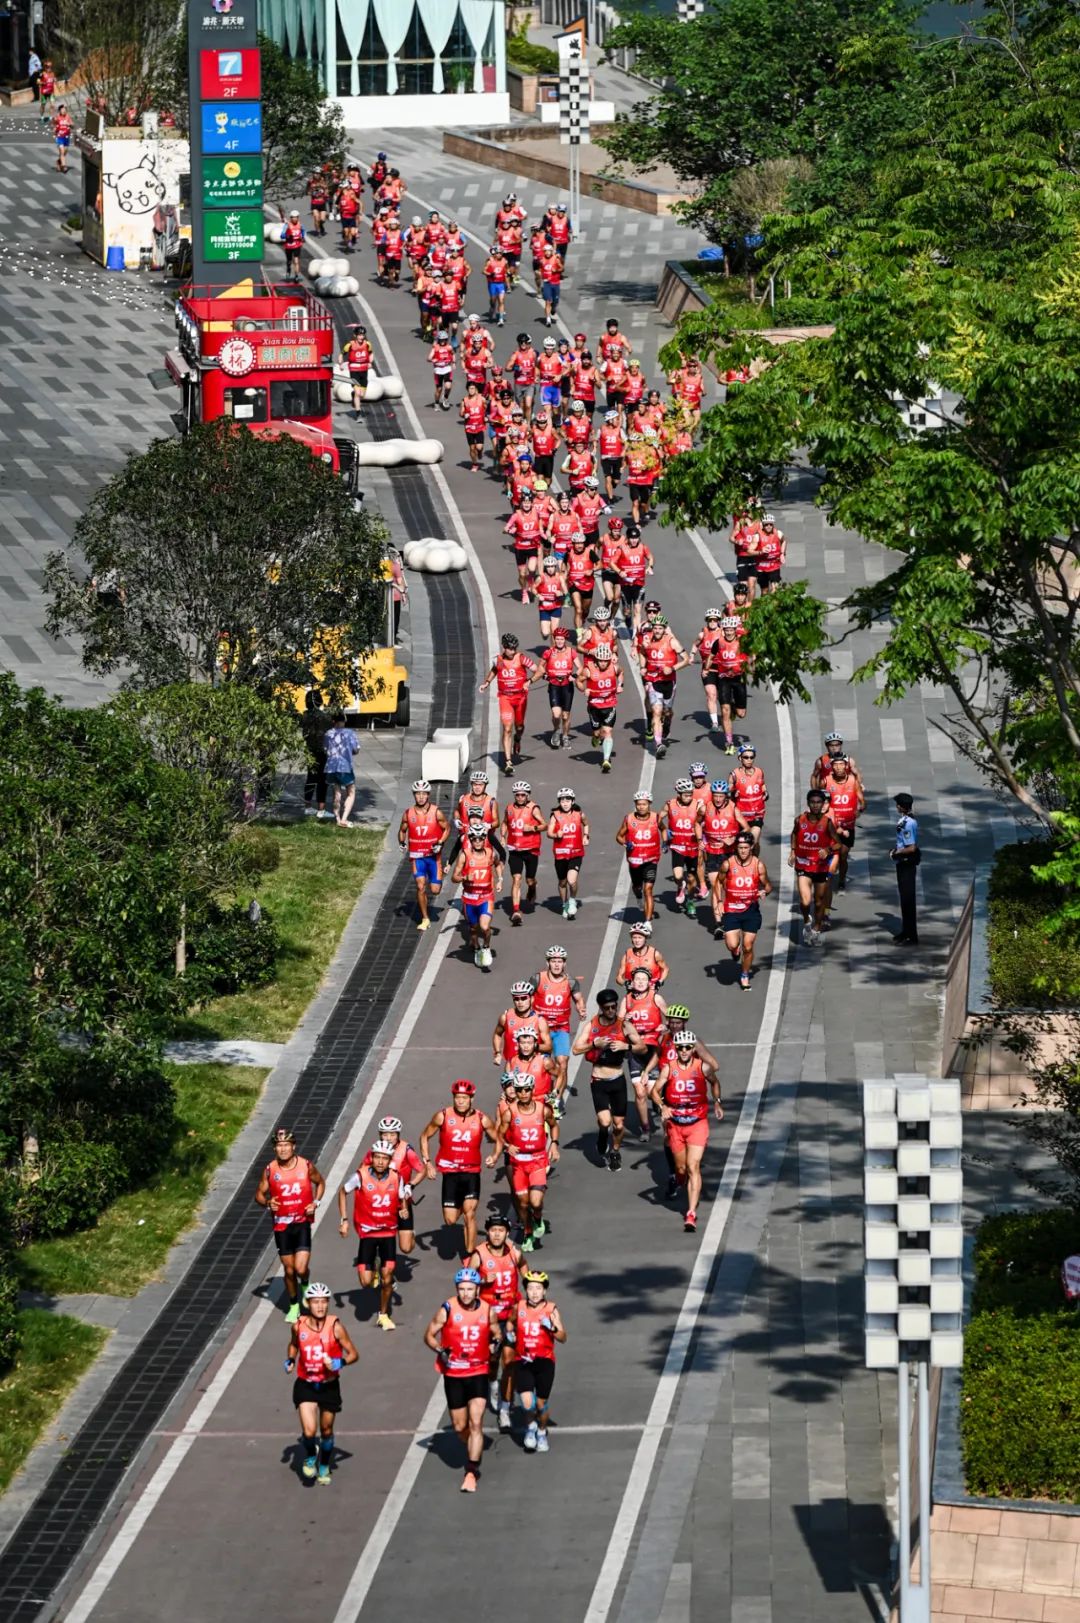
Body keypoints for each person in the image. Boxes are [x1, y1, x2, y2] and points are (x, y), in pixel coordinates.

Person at [423, 1268, 502, 1492]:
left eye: (469, 1289)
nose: (465, 1293)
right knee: (460, 1427)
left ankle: (471, 1471)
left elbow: (497, 1333)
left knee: (476, 1422)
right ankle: (472, 1445)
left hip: (478, 1371)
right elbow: (428, 1335)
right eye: (461, 1289)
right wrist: (440, 1349)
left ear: (477, 1289)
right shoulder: (447, 1308)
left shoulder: (487, 1310)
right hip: (454, 1374)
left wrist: (495, 1344)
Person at [285, 1282, 358, 1486]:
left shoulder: (336, 1327)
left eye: (324, 1302)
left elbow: (354, 1354)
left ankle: (324, 1464)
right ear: (308, 1304)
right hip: (306, 1384)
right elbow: (293, 1345)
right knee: (309, 1431)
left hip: (329, 1385)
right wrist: (290, 1359)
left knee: (326, 1430)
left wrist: (340, 1362)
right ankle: (310, 1455)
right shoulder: (298, 1326)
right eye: (316, 1302)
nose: (320, 1306)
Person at [651, 1031, 723, 1232]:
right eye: (680, 1048)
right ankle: (680, 1180)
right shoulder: (669, 1068)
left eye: (688, 1047)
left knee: (693, 1166)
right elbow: (654, 1091)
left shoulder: (702, 1067)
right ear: (676, 1049)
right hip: (675, 1124)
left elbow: (715, 1077)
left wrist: (717, 1102)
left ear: (693, 1049)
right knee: (681, 1169)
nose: (684, 1051)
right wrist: (662, 1105)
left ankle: (691, 1213)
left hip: (697, 1124)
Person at [254, 1128, 325, 1323]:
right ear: (275, 1148)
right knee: (289, 1269)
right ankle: (294, 1305)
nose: (283, 1149)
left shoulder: (306, 1165)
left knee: (301, 1269)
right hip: (282, 1227)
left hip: (301, 1223)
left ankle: (305, 1286)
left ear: (293, 1146)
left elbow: (320, 1183)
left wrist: (315, 1203)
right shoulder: (270, 1170)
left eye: (286, 1145)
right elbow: (259, 1194)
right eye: (279, 1145)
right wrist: (267, 1203)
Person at [419, 1081, 497, 1257]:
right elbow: (424, 1136)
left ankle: (470, 1255)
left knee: (469, 1213)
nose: (460, 1101)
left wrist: (494, 1155)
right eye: (457, 1097)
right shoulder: (443, 1116)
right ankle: (462, 1204)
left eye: (464, 1098)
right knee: (450, 1220)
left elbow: (498, 1137)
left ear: (472, 1098)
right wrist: (428, 1162)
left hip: (471, 1172)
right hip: (450, 1174)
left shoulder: (481, 1118)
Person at [573, 988, 645, 1170]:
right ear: (601, 1008)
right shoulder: (592, 1025)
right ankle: (603, 1134)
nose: (612, 1010)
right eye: (607, 1008)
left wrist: (625, 1045)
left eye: (614, 1006)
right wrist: (594, 1044)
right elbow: (575, 1050)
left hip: (617, 1079)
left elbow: (642, 1048)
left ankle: (615, 1151)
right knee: (605, 1122)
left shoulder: (624, 1025)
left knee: (619, 1125)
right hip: (598, 1080)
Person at [338, 1139, 405, 1331]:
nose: (381, 1162)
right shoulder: (360, 1176)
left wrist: (404, 1209)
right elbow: (343, 1192)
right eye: (378, 1157)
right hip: (367, 1233)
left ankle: (383, 1314)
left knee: (387, 1278)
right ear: (372, 1158)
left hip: (388, 1233)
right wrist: (344, 1220)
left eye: (385, 1158)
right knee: (366, 1282)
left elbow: (402, 1198)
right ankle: (375, 1266)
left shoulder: (396, 1177)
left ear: (389, 1160)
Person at [488, 1074, 559, 1252]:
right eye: (519, 1090)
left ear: (532, 1089)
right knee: (523, 1202)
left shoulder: (543, 1110)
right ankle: (528, 1233)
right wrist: (506, 1146)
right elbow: (499, 1135)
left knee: (535, 1202)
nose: (523, 1093)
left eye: (527, 1089)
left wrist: (554, 1145)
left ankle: (537, 1219)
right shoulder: (510, 1112)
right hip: (519, 1163)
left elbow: (554, 1125)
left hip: (537, 1160)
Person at [467, 1214, 524, 1429]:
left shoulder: (515, 1254)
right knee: (492, 1360)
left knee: (509, 1363)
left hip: (510, 1315)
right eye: (493, 1230)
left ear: (507, 1233)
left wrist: (530, 1302)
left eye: (500, 1230)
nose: (497, 1234)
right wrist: (482, 1281)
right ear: (488, 1233)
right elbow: (465, 1284)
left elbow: (527, 1275)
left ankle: (505, 1408)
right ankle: (492, 1384)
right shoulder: (479, 1255)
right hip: (488, 1317)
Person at [509, 1269, 567, 1453]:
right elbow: (510, 1323)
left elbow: (563, 1337)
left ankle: (541, 1431)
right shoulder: (519, 1307)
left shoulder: (551, 1309)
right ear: (526, 1290)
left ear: (545, 1291)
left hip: (545, 1363)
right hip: (524, 1361)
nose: (534, 1292)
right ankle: (530, 1428)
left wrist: (551, 1327)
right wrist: (510, 1334)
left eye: (538, 1288)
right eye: (531, 1288)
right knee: (527, 1403)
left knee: (541, 1404)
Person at [363, 1116, 424, 1258]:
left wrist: (411, 1185)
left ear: (398, 1134)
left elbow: (422, 1170)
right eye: (385, 1134)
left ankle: (410, 1236)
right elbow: (363, 1171)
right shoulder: (375, 1151)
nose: (389, 1138)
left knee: (406, 1248)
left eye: (392, 1134)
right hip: (381, 1202)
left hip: (402, 1202)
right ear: (380, 1135)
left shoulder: (406, 1150)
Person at [718, 831, 773, 990]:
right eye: (740, 847)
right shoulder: (728, 864)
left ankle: (744, 973)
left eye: (745, 848)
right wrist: (720, 902)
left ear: (751, 848)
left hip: (750, 910)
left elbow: (768, 885)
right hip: (732, 910)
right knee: (732, 944)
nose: (742, 851)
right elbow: (718, 883)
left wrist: (765, 891)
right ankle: (735, 951)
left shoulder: (758, 865)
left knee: (748, 946)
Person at [533, 942, 587, 1103]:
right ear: (547, 962)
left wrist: (581, 1010)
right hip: (541, 1030)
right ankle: (539, 1093)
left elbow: (578, 999)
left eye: (560, 961)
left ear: (564, 963)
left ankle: (556, 1098)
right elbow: (527, 999)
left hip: (560, 1029)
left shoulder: (570, 982)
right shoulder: (538, 978)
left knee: (563, 1062)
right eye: (553, 961)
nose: (556, 964)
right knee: (541, 1064)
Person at [479, 631, 536, 775]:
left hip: (520, 697)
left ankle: (518, 739)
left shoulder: (521, 658)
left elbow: (537, 669)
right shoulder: (498, 660)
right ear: (504, 647)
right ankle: (508, 761)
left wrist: (529, 681)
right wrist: (486, 683)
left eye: (514, 648)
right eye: (510, 648)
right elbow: (494, 671)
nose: (513, 651)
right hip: (505, 698)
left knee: (520, 726)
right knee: (507, 728)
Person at [620, 964, 667, 1138]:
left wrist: (666, 1026)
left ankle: (658, 1102)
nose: (640, 982)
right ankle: (645, 1128)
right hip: (635, 1049)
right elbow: (616, 1025)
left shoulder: (656, 998)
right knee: (640, 1093)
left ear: (649, 982)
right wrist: (624, 1019)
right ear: (632, 982)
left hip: (653, 1048)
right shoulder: (626, 1000)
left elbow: (672, 1017)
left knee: (651, 1091)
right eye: (637, 979)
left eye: (643, 979)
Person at [789, 788, 840, 945]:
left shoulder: (827, 823)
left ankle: (816, 929)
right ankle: (806, 920)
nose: (816, 805)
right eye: (813, 802)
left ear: (823, 804)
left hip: (820, 867)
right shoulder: (800, 820)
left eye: (819, 802)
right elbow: (794, 834)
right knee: (805, 902)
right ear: (808, 803)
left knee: (819, 902)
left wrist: (828, 849)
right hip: (803, 865)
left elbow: (838, 843)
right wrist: (792, 852)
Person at [399, 779, 449, 932]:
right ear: (414, 795)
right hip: (417, 857)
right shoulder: (408, 813)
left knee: (435, 890)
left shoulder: (436, 812)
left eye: (423, 794)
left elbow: (447, 828)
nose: (420, 797)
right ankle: (425, 918)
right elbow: (402, 830)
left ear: (428, 795)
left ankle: (437, 877)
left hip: (433, 857)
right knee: (421, 886)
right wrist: (401, 842)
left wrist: (440, 842)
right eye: (418, 794)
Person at [703, 779, 750, 934]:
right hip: (711, 853)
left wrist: (734, 839)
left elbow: (747, 829)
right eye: (715, 795)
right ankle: (719, 924)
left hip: (728, 854)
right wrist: (699, 840)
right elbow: (696, 824)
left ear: (726, 796)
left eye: (721, 796)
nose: (717, 799)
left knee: (727, 887)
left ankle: (734, 915)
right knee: (716, 885)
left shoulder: (733, 809)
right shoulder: (705, 808)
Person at [452, 823, 503, 966]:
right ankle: (476, 947)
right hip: (469, 898)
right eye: (475, 839)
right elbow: (454, 877)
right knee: (473, 928)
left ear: (484, 839)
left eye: (481, 839)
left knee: (485, 927)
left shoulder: (491, 853)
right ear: (470, 839)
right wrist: (464, 878)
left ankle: (486, 947)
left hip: (486, 897)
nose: (478, 842)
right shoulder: (465, 855)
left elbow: (498, 864)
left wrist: (500, 879)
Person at [640, 614, 690, 758]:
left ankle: (667, 723)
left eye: (660, 628)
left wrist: (673, 668)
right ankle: (659, 743)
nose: (657, 630)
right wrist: (643, 666)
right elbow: (643, 653)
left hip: (668, 682)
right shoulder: (647, 640)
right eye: (655, 628)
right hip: (653, 680)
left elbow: (686, 660)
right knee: (657, 711)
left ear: (664, 629)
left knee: (667, 712)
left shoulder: (672, 641)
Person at [501, 780, 546, 924]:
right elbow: (505, 822)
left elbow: (544, 825)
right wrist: (503, 836)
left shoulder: (533, 808)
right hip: (515, 849)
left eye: (522, 795)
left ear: (527, 795)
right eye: (517, 795)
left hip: (531, 849)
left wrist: (532, 829)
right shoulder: (509, 808)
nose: (520, 797)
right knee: (516, 879)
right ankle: (516, 911)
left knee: (529, 880)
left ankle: (532, 887)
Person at [660, 777, 704, 917]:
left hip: (692, 847)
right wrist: (665, 832)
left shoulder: (697, 805)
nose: (689, 797)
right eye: (685, 794)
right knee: (678, 876)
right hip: (678, 846)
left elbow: (706, 819)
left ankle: (690, 902)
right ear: (678, 794)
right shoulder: (670, 804)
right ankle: (680, 886)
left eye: (691, 794)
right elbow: (657, 819)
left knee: (692, 878)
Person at [577, 641, 623, 774]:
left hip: (609, 704)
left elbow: (621, 673)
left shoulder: (614, 667)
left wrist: (621, 685)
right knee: (598, 732)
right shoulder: (588, 669)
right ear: (597, 659)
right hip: (594, 706)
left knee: (607, 732)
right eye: (601, 661)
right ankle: (596, 737)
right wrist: (584, 689)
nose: (603, 663)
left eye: (606, 661)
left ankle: (606, 760)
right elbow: (578, 681)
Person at [617, 788, 663, 921]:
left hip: (651, 859)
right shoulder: (629, 819)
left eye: (644, 804)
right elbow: (619, 836)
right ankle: (638, 898)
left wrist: (666, 840)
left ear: (649, 804)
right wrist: (626, 843)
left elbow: (664, 830)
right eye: (639, 804)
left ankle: (647, 923)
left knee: (648, 889)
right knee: (637, 887)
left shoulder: (656, 817)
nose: (641, 807)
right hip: (635, 860)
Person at [820, 754, 864, 890]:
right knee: (829, 853)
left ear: (846, 766)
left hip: (848, 826)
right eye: (835, 765)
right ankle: (824, 877)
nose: (839, 767)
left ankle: (842, 879)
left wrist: (859, 810)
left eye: (841, 764)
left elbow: (862, 802)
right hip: (830, 826)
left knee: (843, 856)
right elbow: (817, 800)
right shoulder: (826, 781)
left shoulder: (853, 781)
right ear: (832, 767)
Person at [546, 786, 589, 919]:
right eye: (562, 801)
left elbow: (586, 824)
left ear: (573, 801)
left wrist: (586, 836)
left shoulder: (579, 814)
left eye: (568, 800)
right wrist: (556, 834)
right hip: (560, 854)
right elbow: (549, 833)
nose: (565, 803)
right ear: (559, 802)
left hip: (576, 853)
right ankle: (564, 903)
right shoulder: (555, 815)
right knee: (562, 882)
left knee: (572, 881)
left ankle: (572, 901)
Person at [534, 624, 579, 749]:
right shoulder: (549, 652)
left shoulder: (571, 651)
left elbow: (580, 668)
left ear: (565, 640)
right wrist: (545, 676)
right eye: (557, 639)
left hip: (567, 686)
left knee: (565, 715)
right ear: (554, 639)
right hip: (554, 685)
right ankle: (556, 730)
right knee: (556, 714)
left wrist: (574, 676)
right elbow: (541, 666)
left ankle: (565, 736)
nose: (559, 641)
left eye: (562, 639)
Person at [712, 617, 752, 754]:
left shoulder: (742, 642)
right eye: (726, 630)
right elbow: (711, 657)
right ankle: (729, 742)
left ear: (735, 630)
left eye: (731, 630)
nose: (729, 632)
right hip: (723, 679)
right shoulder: (718, 642)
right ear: (723, 630)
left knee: (741, 714)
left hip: (738, 678)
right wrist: (706, 669)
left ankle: (735, 707)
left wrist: (752, 665)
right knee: (724, 710)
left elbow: (753, 654)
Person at [492, 981, 553, 1068]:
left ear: (531, 999)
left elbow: (549, 1046)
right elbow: (497, 1034)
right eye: (516, 999)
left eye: (523, 998)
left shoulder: (539, 1021)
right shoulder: (506, 1017)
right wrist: (497, 1053)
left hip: (534, 1065)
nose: (520, 1002)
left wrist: (532, 1046)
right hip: (512, 1065)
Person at [891, 792, 920, 944]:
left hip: (906, 863)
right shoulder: (906, 820)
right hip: (902, 862)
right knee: (904, 899)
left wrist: (896, 852)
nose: (896, 806)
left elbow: (911, 847)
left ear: (901, 806)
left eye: (898, 804)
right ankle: (905, 931)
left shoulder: (908, 823)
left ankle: (911, 936)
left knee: (908, 900)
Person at [323, 711, 360, 827]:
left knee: (336, 793)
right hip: (345, 766)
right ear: (344, 721)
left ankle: (337, 819)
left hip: (331, 767)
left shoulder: (328, 734)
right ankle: (344, 819)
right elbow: (356, 749)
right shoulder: (350, 733)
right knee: (351, 792)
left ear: (333, 721)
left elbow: (325, 749)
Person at [729, 743, 768, 849]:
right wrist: (733, 793)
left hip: (757, 814)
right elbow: (728, 792)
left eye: (752, 757)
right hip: (741, 816)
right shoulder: (734, 775)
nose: (749, 760)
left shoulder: (759, 772)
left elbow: (762, 785)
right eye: (746, 757)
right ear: (740, 758)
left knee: (752, 843)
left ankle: (754, 861)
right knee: (741, 845)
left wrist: (765, 792)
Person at [301, 691, 329, 821]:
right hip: (323, 752)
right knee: (322, 781)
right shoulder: (325, 717)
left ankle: (307, 806)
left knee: (310, 778)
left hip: (310, 750)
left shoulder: (305, 716)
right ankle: (321, 809)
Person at [616, 920, 669, 988]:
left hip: (651, 991)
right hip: (633, 992)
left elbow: (665, 969)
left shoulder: (655, 954)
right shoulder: (627, 955)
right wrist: (625, 983)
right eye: (634, 937)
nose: (637, 941)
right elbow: (619, 977)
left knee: (659, 999)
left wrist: (660, 982)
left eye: (640, 938)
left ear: (645, 938)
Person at [342, 324, 372, 418]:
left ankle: (353, 395)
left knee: (362, 395)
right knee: (358, 393)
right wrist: (340, 362)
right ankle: (358, 413)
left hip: (364, 371)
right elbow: (342, 354)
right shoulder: (350, 345)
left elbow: (371, 353)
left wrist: (370, 362)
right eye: (359, 335)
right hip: (354, 371)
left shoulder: (367, 344)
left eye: (363, 335)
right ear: (355, 335)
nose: (361, 337)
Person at [429, 327, 455, 411]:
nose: (443, 341)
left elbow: (453, 354)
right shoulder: (435, 347)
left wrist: (453, 363)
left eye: (444, 339)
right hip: (438, 370)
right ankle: (436, 403)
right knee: (439, 389)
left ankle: (445, 398)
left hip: (447, 368)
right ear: (439, 340)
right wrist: (433, 360)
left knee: (448, 386)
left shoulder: (449, 347)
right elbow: (428, 358)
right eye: (441, 340)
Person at [282, 210, 305, 279]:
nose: (294, 219)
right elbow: (282, 235)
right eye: (292, 217)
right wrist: (288, 236)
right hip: (288, 245)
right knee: (289, 261)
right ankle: (288, 270)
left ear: (298, 218)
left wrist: (302, 237)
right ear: (290, 218)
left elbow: (303, 232)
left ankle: (296, 276)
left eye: (296, 217)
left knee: (296, 261)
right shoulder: (287, 225)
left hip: (297, 245)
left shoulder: (301, 225)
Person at [52, 103, 73, 173]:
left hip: (66, 137)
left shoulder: (68, 117)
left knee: (65, 152)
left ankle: (58, 162)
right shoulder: (57, 117)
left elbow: (73, 125)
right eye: (62, 110)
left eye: (65, 110)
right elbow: (53, 124)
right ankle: (64, 166)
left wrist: (69, 124)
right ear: (60, 111)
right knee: (62, 151)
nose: (64, 111)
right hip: (60, 137)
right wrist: (54, 129)